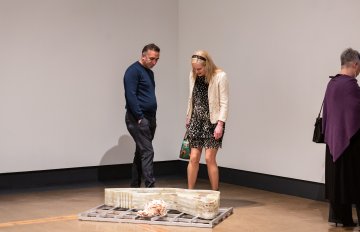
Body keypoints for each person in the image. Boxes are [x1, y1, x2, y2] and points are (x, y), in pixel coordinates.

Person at [323, 48, 360, 227]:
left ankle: (341, 218)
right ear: (354, 64)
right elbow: (356, 113)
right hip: (350, 145)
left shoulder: (332, 83)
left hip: (333, 142)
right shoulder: (350, 85)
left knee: (338, 183)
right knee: (356, 181)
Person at [185, 50, 229, 191]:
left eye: (199, 68)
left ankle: (214, 193)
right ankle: (190, 193)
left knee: (209, 159)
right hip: (196, 120)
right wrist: (188, 116)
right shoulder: (193, 76)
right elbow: (191, 98)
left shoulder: (220, 76)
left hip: (213, 122)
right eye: (194, 68)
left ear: (207, 65)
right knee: (193, 158)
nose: (196, 71)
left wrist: (220, 124)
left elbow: (224, 102)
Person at [123, 43, 160, 188]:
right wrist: (139, 117)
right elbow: (130, 96)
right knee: (147, 151)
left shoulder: (150, 73)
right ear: (143, 56)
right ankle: (150, 188)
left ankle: (134, 187)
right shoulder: (132, 71)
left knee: (141, 153)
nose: (154, 62)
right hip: (137, 118)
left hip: (150, 117)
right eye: (152, 59)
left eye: (157, 59)